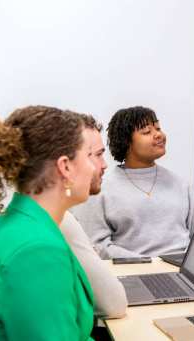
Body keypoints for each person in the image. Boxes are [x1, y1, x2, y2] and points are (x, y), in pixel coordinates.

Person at [0, 106, 97, 341]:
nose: (95, 167)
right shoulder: (37, 251)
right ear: (65, 167)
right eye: (89, 155)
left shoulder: (16, 226)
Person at [72, 106, 194, 259]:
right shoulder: (99, 188)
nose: (158, 134)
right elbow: (97, 245)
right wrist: (147, 263)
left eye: (158, 128)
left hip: (182, 269)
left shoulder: (182, 185)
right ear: (127, 142)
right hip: (133, 270)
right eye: (147, 132)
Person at [61, 114, 127, 319]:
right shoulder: (58, 224)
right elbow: (113, 305)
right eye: (96, 155)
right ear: (65, 166)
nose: (104, 165)